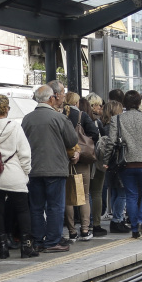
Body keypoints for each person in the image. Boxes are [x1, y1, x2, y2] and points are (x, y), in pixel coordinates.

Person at [97, 90, 142, 239]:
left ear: (124, 104)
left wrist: (106, 161)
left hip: (126, 162)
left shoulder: (117, 119)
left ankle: (134, 228)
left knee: (131, 195)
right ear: (139, 103)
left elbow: (111, 142)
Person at [22, 85, 78, 252]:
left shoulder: (27, 119)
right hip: (55, 169)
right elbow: (71, 140)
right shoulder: (58, 118)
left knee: (36, 207)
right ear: (50, 98)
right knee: (55, 206)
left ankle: (38, 240)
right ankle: (53, 241)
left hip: (33, 169)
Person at [0, 94, 36, 258]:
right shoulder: (15, 127)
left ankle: (2, 246)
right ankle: (26, 247)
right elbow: (25, 153)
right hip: (14, 175)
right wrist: (25, 173)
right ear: (7, 109)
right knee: (22, 210)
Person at [58, 87, 97, 242]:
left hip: (63, 161)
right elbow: (94, 133)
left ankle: (72, 231)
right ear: (76, 102)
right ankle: (85, 230)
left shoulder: (59, 115)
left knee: (68, 197)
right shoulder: (82, 115)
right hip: (81, 160)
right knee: (84, 196)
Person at [101, 100, 128, 233]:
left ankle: (117, 218)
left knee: (115, 191)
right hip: (118, 162)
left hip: (110, 164)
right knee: (122, 192)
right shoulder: (116, 126)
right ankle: (117, 220)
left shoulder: (103, 125)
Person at [83, 93, 108, 237]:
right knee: (96, 192)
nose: (100, 108)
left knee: (83, 194)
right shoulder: (96, 123)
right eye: (98, 105)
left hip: (82, 160)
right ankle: (96, 223)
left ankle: (84, 224)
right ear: (93, 106)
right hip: (96, 161)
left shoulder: (78, 119)